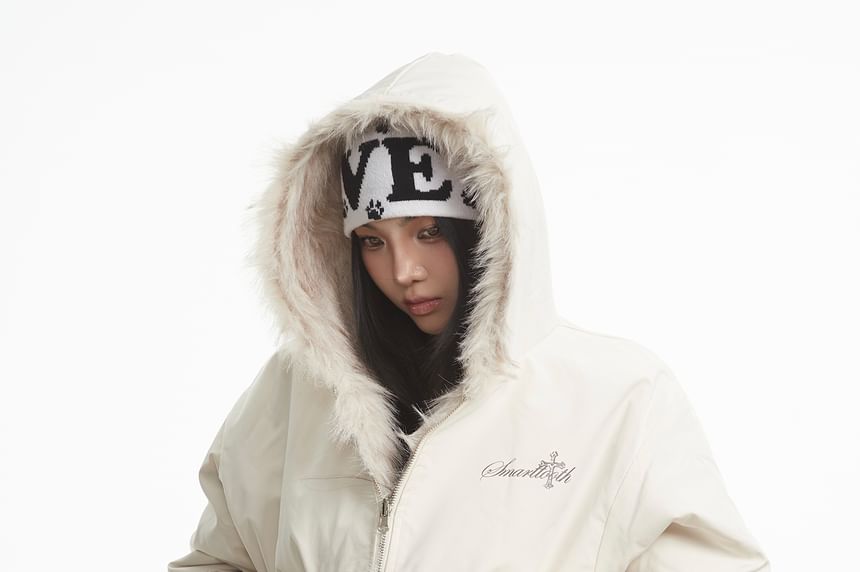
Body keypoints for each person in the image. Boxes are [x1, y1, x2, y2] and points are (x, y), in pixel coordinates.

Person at [168, 52, 770, 571]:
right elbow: (222, 558)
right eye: (373, 241)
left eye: (428, 231)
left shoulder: (620, 397)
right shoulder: (294, 391)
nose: (403, 270)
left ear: (489, 226)